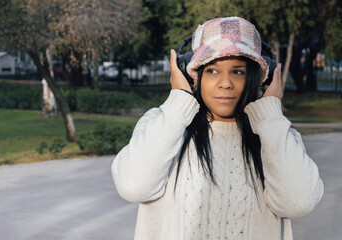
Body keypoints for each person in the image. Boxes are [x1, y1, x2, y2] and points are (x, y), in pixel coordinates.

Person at [111, 16, 324, 240]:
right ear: (190, 73)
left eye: (238, 72)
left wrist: (271, 116)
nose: (226, 83)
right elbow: (132, 186)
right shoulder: (162, 123)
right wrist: (178, 103)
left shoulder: (277, 135)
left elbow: (299, 203)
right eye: (212, 70)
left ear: (259, 78)